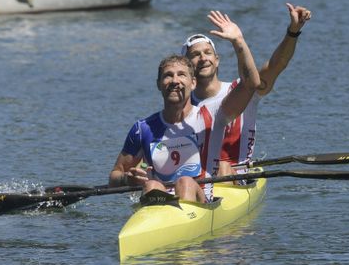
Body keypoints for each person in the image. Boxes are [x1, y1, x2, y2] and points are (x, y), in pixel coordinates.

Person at [109, 11, 261, 202]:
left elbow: (251, 85)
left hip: (199, 199)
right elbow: (114, 176)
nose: (175, 81)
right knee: (152, 185)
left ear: (193, 83)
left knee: (185, 182)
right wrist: (126, 178)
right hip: (158, 198)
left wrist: (238, 42)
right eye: (168, 76)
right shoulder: (142, 128)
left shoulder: (214, 116)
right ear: (158, 84)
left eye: (181, 75)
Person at [181, 3, 312, 177]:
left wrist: (293, 31)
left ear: (217, 60)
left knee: (221, 167)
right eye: (196, 55)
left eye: (207, 52)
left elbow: (276, 65)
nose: (203, 58)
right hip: (195, 178)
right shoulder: (182, 105)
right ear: (186, 65)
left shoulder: (243, 90)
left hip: (236, 177)